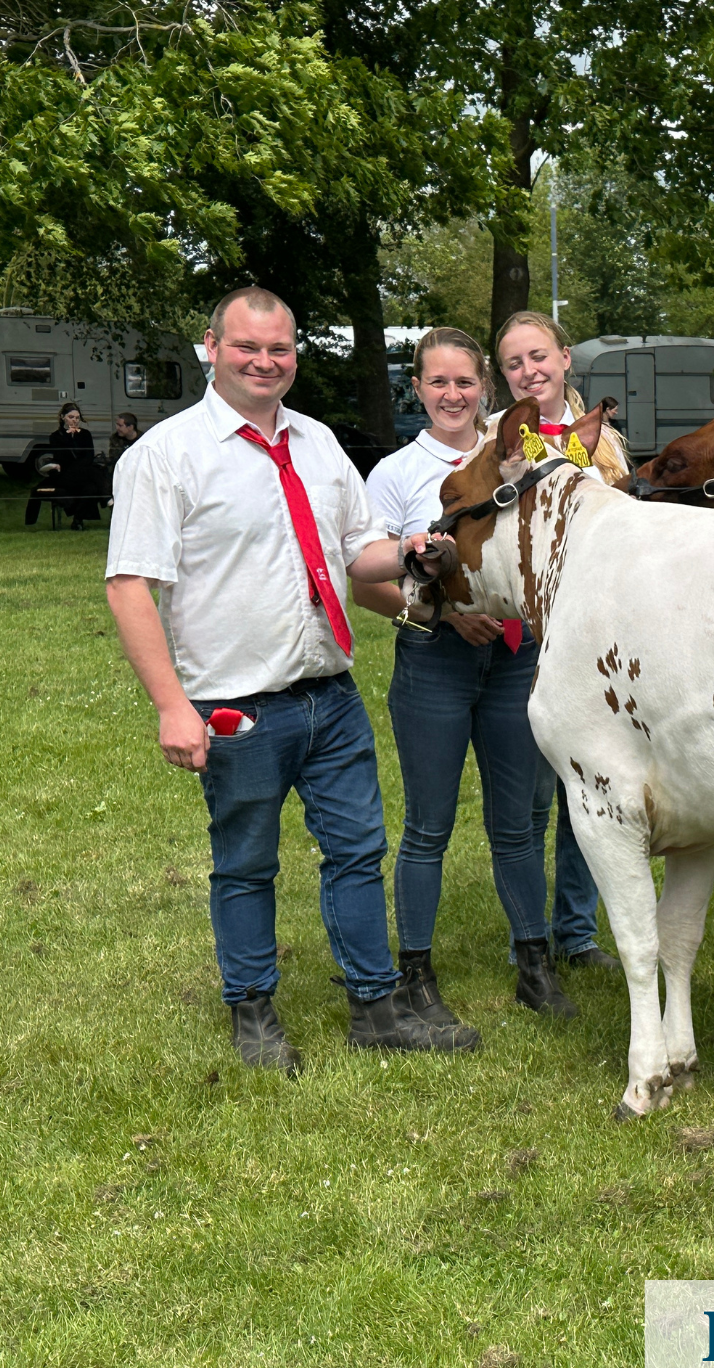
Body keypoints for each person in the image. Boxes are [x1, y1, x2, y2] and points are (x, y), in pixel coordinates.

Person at [104, 286, 474, 1077]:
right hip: (235, 706)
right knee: (246, 861)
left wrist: (409, 551)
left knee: (357, 853)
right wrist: (173, 707)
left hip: (329, 694)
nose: (264, 362)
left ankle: (376, 1007)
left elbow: (356, 549)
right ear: (212, 347)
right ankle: (254, 1010)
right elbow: (130, 584)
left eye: (279, 349)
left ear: (294, 355)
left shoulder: (316, 442)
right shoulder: (167, 455)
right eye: (247, 347)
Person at [349, 327, 579, 1022]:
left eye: (466, 382)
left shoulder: (512, 455)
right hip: (437, 663)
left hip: (515, 660)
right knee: (429, 826)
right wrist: (444, 617)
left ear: (485, 387)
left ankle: (533, 963)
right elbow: (366, 585)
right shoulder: (395, 474)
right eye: (438, 382)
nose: (453, 394)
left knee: (517, 825)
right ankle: (415, 970)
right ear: (416, 388)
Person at [493, 309, 631, 972]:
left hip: (597, 642)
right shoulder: (498, 441)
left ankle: (577, 930)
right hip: (529, 644)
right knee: (533, 798)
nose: (529, 371)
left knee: (594, 787)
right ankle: (531, 935)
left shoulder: (603, 442)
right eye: (515, 363)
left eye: (539, 357)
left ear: (565, 358)